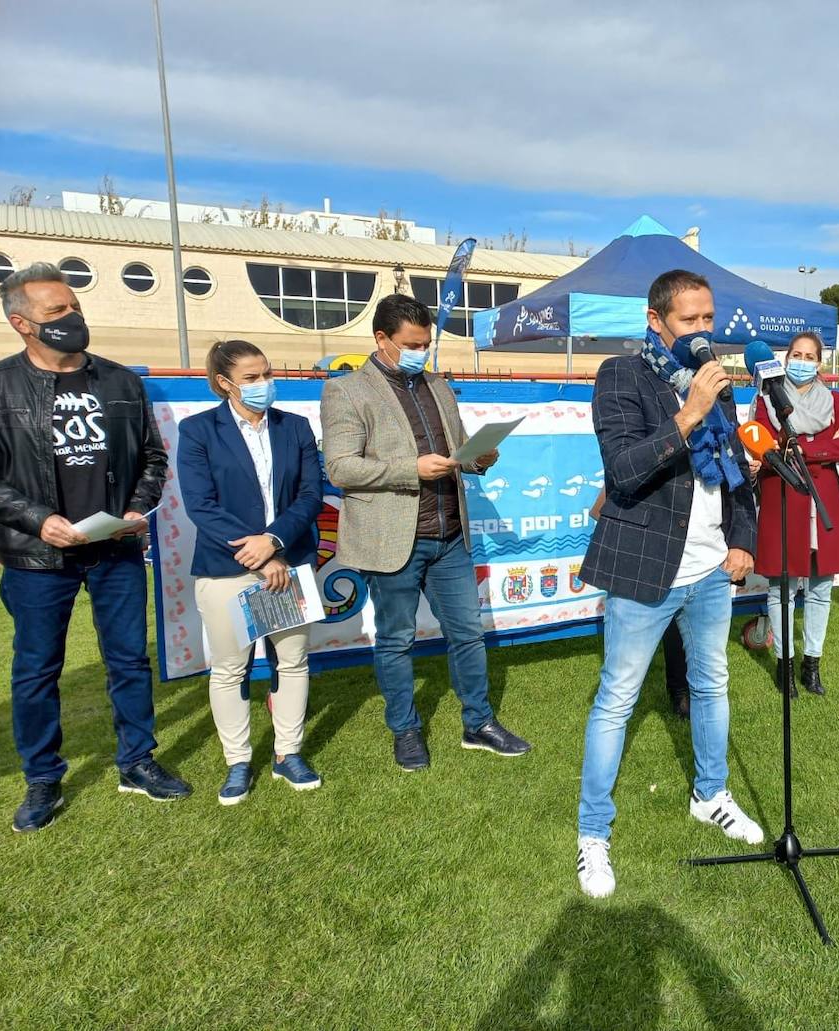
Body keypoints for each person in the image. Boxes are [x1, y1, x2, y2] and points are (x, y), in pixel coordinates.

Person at [575, 269, 761, 899]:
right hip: (644, 568)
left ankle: (710, 795)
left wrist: (742, 541)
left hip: (710, 568)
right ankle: (593, 834)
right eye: (690, 320)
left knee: (712, 683)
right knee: (617, 699)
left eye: (709, 319)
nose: (703, 332)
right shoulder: (621, 377)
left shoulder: (722, 387)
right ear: (656, 321)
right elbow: (623, 472)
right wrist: (689, 414)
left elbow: (737, 474)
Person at [0, 262, 189, 833]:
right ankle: (42, 780)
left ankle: (137, 761)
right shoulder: (1, 385)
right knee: (35, 670)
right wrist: (39, 520)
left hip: (116, 550)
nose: (73, 317)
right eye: (57, 311)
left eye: (75, 306)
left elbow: (154, 458)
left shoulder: (120, 382)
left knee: (129, 660)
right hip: (38, 558)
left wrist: (136, 511)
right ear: (21, 323)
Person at [320, 294, 530, 770]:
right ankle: (406, 730)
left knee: (468, 634)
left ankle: (479, 723)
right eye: (412, 344)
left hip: (450, 534)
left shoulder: (438, 384)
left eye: (427, 343)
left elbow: (457, 451)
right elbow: (341, 469)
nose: (422, 352)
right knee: (395, 640)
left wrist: (478, 457)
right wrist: (409, 468)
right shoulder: (347, 391)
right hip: (392, 540)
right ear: (381, 339)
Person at [177, 340, 324, 804]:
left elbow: (309, 495)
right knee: (229, 668)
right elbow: (201, 505)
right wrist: (260, 553)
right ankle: (238, 761)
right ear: (224, 383)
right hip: (228, 568)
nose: (264, 384)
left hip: (286, 562)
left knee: (293, 660)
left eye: (266, 374)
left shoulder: (294, 427)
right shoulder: (199, 430)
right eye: (252, 377)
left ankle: (288, 754)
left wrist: (275, 542)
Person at [750, 330, 839, 697]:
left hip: (825, 502)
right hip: (783, 497)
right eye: (795, 354)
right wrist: (820, 445)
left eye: (808, 356)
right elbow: (766, 445)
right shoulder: (766, 400)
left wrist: (802, 449)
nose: (801, 361)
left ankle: (812, 664)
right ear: (785, 359)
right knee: (782, 589)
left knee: (820, 588)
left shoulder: (836, 401)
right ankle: (785, 663)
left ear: (819, 363)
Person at [591, 488, 690, 719]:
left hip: (682, 541)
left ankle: (680, 690)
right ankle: (619, 700)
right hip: (641, 548)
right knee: (620, 680)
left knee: (677, 621)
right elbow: (601, 511)